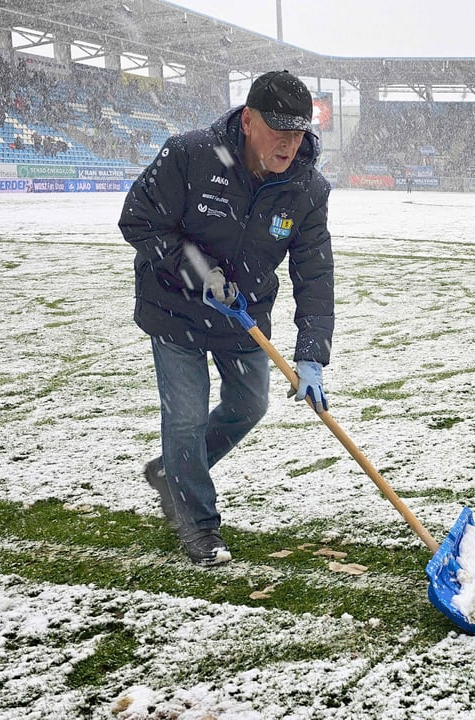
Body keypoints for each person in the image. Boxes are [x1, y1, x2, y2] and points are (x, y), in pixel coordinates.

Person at [118, 70, 334, 566]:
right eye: (279, 129)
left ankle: (173, 472)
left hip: (243, 315)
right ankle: (197, 523)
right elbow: (139, 219)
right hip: (174, 309)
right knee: (186, 419)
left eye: (299, 131)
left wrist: (311, 354)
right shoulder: (190, 154)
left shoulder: (306, 188)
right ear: (249, 118)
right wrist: (199, 273)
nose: (289, 143)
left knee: (248, 406)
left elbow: (315, 275)